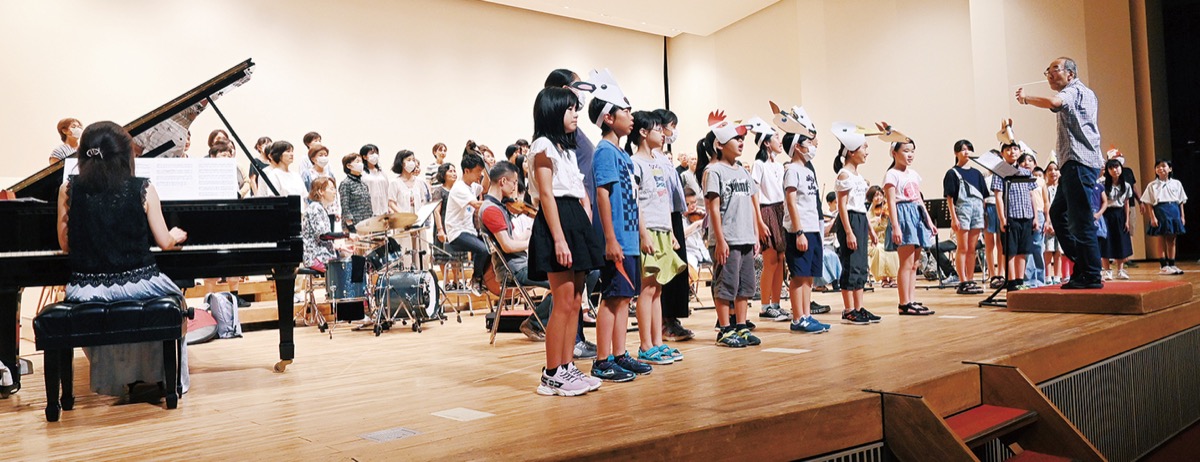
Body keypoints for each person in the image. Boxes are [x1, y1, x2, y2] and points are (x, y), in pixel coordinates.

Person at [56, 121, 191, 398]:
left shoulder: (68, 189)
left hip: (88, 288)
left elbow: (65, 244)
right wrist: (175, 235)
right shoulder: (143, 188)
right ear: (126, 154)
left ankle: (121, 376)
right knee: (178, 303)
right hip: (139, 282)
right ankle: (164, 377)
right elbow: (164, 242)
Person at [527, 86, 604, 396]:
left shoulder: (567, 148)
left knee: (575, 302)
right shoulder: (542, 146)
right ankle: (552, 372)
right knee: (562, 302)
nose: (576, 114)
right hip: (556, 221)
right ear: (553, 111)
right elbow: (547, 195)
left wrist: (585, 213)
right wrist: (559, 240)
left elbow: (579, 190)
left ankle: (567, 365)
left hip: (574, 219)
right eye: (570, 109)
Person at [1016, 56, 1105, 289]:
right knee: (1058, 213)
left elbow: (1054, 102)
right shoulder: (1082, 92)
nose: (1050, 74)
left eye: (1055, 69)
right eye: (1048, 70)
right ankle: (1083, 265)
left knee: (1081, 221)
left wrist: (1026, 98)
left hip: (1079, 163)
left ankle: (1091, 274)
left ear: (1070, 74)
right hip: (1075, 165)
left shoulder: (1074, 91)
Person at [587, 71, 649, 380]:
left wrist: (641, 234)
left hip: (629, 238)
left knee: (624, 298)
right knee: (611, 299)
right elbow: (602, 194)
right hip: (617, 240)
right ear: (609, 118)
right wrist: (610, 238)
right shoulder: (604, 151)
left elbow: (632, 198)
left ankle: (620, 353)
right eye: (625, 110)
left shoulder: (622, 154)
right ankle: (602, 360)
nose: (631, 116)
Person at [697, 111, 763, 347]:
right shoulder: (713, 172)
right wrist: (720, 240)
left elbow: (751, 204)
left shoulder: (743, 171)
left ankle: (741, 326)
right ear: (720, 144)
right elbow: (713, 209)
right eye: (736, 139)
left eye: (742, 139)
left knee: (745, 286)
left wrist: (755, 235)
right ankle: (725, 329)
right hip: (728, 239)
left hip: (745, 237)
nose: (741, 142)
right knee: (726, 284)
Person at [629, 110, 687, 364]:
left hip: (663, 229)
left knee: (658, 289)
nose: (663, 134)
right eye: (657, 129)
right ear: (643, 133)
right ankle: (645, 345)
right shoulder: (635, 163)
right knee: (647, 288)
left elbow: (666, 202)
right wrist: (643, 234)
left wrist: (671, 232)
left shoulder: (659, 162)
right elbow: (636, 202)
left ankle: (658, 342)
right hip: (648, 230)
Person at [830, 122, 881, 325]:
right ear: (851, 151)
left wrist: (870, 230)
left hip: (859, 219)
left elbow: (861, 206)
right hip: (849, 221)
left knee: (860, 266)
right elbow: (842, 206)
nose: (867, 152)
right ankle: (848, 309)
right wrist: (849, 232)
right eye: (864, 147)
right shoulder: (844, 175)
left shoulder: (859, 176)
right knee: (850, 265)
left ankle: (859, 308)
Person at [781, 131, 831, 333]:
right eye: (808, 143)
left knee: (809, 275)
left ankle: (807, 315)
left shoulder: (808, 171)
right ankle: (797, 318)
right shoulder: (791, 170)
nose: (812, 146)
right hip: (798, 230)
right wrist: (799, 231)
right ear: (797, 147)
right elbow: (791, 203)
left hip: (812, 228)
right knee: (798, 275)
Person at [883, 138, 937, 315]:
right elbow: (891, 202)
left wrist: (929, 221)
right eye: (906, 151)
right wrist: (896, 226)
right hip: (903, 215)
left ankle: (911, 299)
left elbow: (919, 199)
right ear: (894, 153)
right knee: (906, 263)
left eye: (912, 151)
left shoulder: (913, 174)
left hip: (916, 215)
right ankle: (904, 302)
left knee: (915, 264)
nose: (910, 154)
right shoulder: (891, 174)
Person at [748, 120, 789, 322]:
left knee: (780, 260)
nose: (780, 141)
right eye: (776, 138)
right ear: (766, 142)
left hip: (780, 210)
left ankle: (776, 304)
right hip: (766, 211)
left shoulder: (779, 165)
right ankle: (765, 306)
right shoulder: (759, 164)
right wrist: (759, 221)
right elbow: (754, 193)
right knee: (770, 260)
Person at [943, 139, 988, 294]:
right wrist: (953, 218)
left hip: (977, 211)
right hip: (962, 211)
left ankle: (970, 279)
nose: (966, 152)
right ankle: (962, 281)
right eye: (963, 149)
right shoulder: (952, 173)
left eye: (969, 149)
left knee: (972, 248)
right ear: (956, 153)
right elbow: (949, 197)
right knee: (962, 247)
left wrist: (983, 216)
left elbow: (983, 196)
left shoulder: (977, 173)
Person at [991, 143, 1038, 291]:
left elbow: (1032, 195)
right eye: (1008, 149)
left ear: (1020, 151)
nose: (1012, 152)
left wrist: (1036, 217)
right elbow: (998, 196)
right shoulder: (1000, 171)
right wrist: (1002, 218)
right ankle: (1011, 282)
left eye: (1015, 149)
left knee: (1023, 250)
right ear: (1002, 153)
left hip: (1027, 215)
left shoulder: (1026, 172)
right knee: (1010, 251)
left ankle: (1020, 280)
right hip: (1011, 216)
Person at [444, 152, 490, 288]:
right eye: (478, 171)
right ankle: (476, 279)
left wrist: (486, 169)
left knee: (492, 247)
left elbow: (485, 187)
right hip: (457, 233)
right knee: (483, 250)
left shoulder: (472, 186)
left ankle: (486, 280)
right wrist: (494, 205)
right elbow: (476, 204)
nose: (479, 174)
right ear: (467, 171)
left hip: (469, 231)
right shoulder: (459, 187)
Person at [1142, 159, 1187, 275]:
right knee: (1161, 238)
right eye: (1157, 167)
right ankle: (1163, 265)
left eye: (1163, 166)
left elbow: (1181, 201)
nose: (1160, 169)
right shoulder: (1152, 185)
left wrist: (1182, 216)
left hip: (1174, 210)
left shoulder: (1176, 183)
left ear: (1170, 169)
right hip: (1160, 211)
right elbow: (1148, 203)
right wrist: (1152, 217)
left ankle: (1172, 264)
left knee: (1172, 239)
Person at [302, 177, 350, 272]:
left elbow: (319, 239)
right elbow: (323, 236)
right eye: (331, 189)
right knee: (346, 269)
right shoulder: (315, 208)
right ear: (321, 191)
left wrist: (339, 247)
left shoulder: (321, 209)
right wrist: (347, 235)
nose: (335, 192)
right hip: (315, 258)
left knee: (347, 261)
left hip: (322, 255)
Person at [1100, 159, 1134, 280]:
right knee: (1106, 242)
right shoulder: (1102, 184)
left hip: (1120, 214)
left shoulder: (1126, 185)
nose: (1115, 170)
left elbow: (1126, 203)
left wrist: (1127, 220)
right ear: (1107, 170)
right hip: (1106, 214)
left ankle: (1120, 270)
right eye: (1111, 168)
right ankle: (1107, 270)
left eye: (1117, 167)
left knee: (1121, 241)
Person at [866, 186, 899, 288]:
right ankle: (884, 278)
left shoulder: (886, 209)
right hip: (872, 242)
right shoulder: (868, 213)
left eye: (881, 195)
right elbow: (866, 228)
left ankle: (893, 278)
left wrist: (884, 219)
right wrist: (874, 221)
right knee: (880, 249)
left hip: (886, 239)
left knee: (891, 249)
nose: (879, 198)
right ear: (871, 198)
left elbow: (886, 227)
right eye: (876, 196)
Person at [339, 153, 373, 233]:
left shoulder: (363, 184)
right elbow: (345, 206)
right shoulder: (346, 183)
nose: (361, 164)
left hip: (366, 224)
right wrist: (350, 226)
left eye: (361, 162)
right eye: (357, 161)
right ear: (349, 166)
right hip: (354, 225)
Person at [1044, 162, 1064, 284]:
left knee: (1059, 251)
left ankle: (1057, 276)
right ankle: (1047, 276)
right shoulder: (1044, 188)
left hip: (1061, 222)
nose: (1053, 172)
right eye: (1050, 170)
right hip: (1048, 223)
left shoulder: (1063, 188)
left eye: (1056, 169)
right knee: (1048, 250)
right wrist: (1048, 222)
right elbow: (1045, 205)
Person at [358, 144, 389, 217]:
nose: (375, 155)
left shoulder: (381, 172)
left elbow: (387, 190)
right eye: (372, 153)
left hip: (384, 210)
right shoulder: (362, 173)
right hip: (369, 211)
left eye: (376, 153)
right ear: (364, 157)